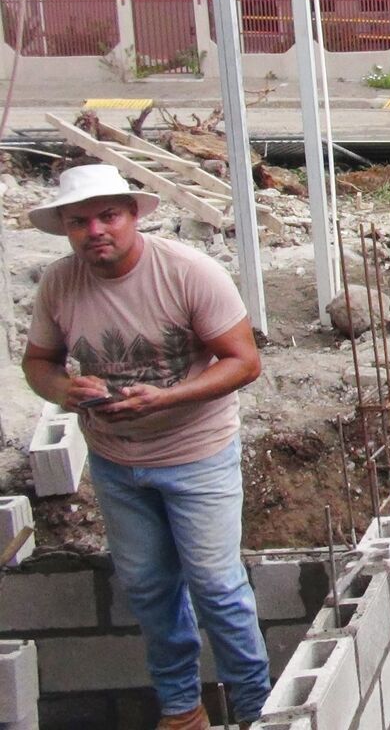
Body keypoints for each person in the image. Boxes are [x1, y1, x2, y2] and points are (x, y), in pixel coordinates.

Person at [21, 165, 270, 730]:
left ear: (133, 215)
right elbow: (39, 362)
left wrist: (164, 398)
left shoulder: (187, 273)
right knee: (149, 588)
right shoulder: (60, 283)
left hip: (197, 454)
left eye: (108, 216)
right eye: (79, 221)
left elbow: (244, 361)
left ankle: (257, 711)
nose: (95, 231)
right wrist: (65, 390)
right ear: (66, 228)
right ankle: (182, 711)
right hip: (116, 463)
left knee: (216, 587)